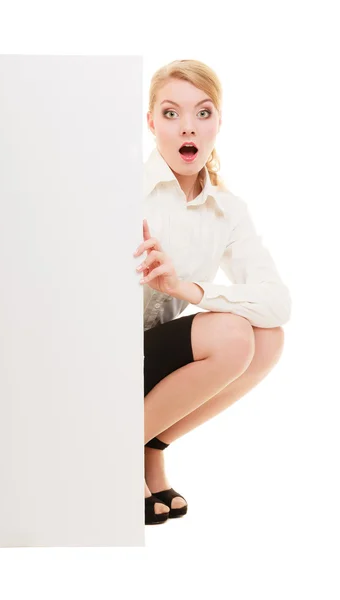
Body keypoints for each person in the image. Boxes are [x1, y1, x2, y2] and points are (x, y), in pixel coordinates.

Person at [135, 59, 292, 525]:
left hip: (147, 359)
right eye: (170, 113)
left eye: (202, 113)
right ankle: (115, 449)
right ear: (150, 122)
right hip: (99, 357)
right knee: (231, 336)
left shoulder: (228, 209)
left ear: (218, 123)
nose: (188, 127)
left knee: (267, 339)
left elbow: (277, 300)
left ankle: (145, 445)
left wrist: (187, 288)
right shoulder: (123, 188)